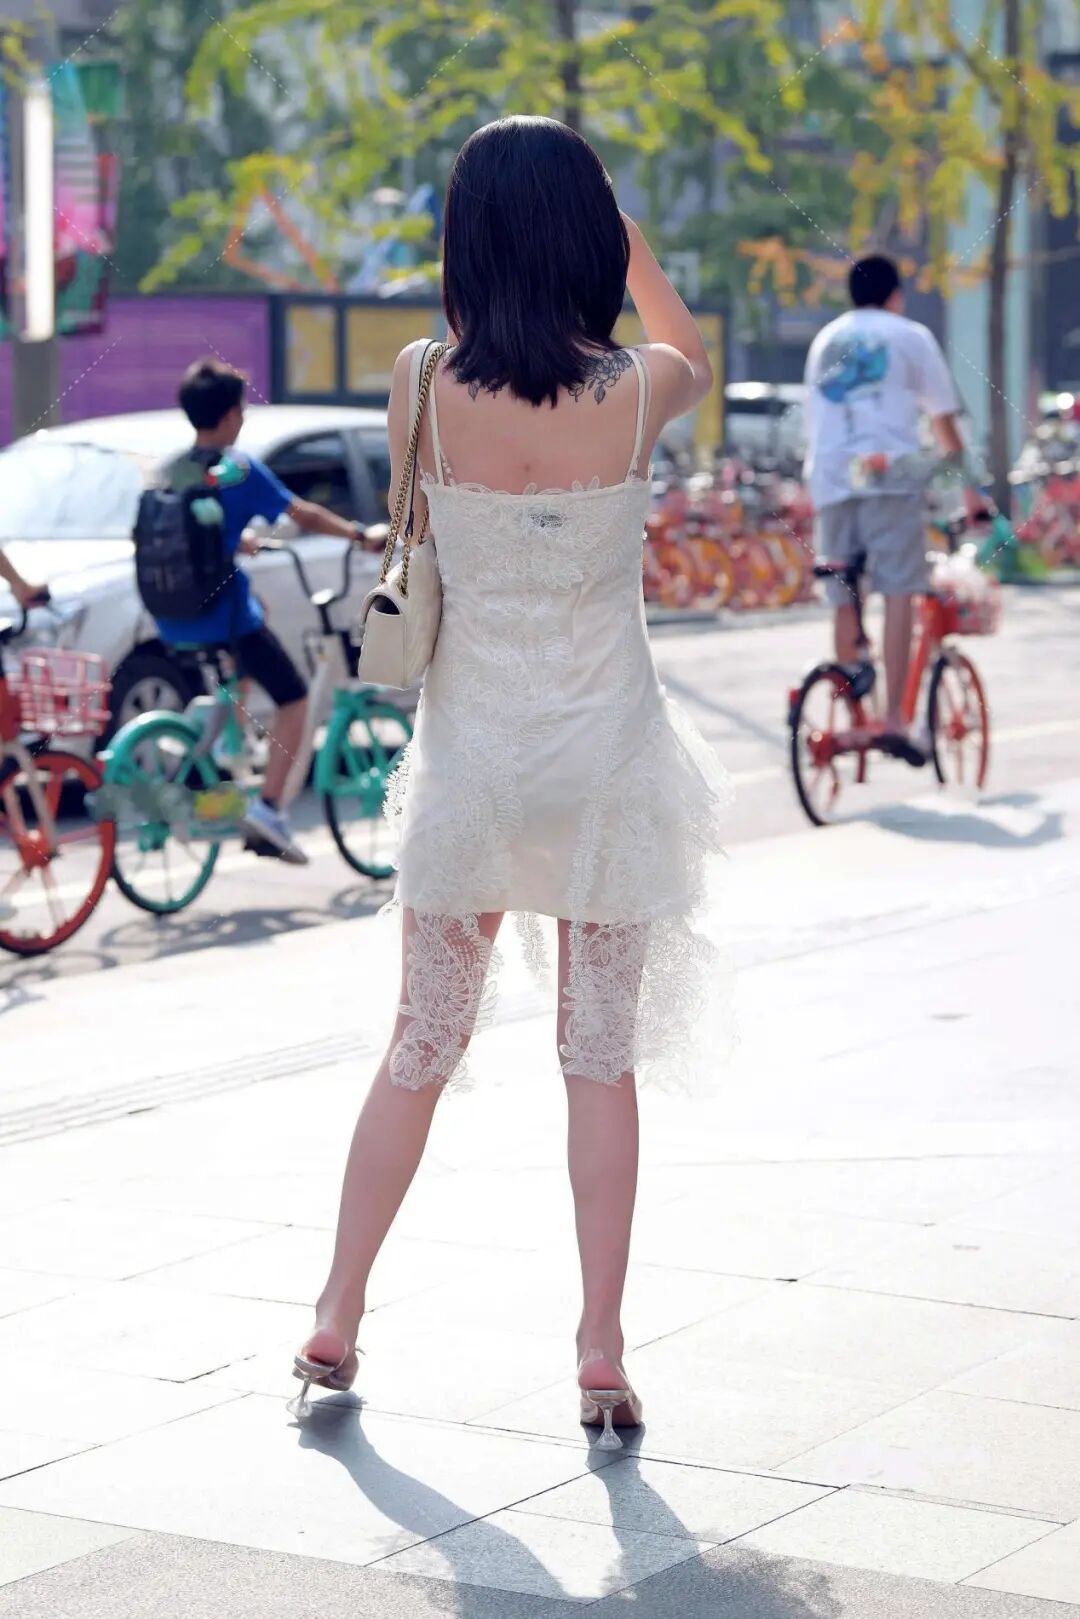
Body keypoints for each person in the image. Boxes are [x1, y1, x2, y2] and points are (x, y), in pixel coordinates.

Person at [292, 117, 732, 1446]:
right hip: (606, 762)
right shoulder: (635, 391)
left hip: (472, 762)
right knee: (597, 1059)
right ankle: (599, 1347)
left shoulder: (424, 383)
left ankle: (336, 1309)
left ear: (467, 241)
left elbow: (419, 525)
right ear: (587, 240)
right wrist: (635, 252)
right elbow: (695, 352)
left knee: (420, 1043)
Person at [160, 358, 374, 862]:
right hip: (224, 617)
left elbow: (193, 533)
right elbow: (302, 514)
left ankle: (215, 739)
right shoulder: (238, 470)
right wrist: (358, 534)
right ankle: (270, 809)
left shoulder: (175, 468)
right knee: (294, 700)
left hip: (172, 615)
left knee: (259, 615)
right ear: (229, 416)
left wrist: (237, 541)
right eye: (242, 409)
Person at [803, 254, 977, 765]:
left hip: (831, 478)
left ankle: (854, 710)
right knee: (899, 589)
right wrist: (965, 484)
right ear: (895, 296)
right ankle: (896, 720)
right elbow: (944, 421)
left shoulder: (825, 340)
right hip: (887, 477)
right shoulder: (909, 336)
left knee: (843, 592)